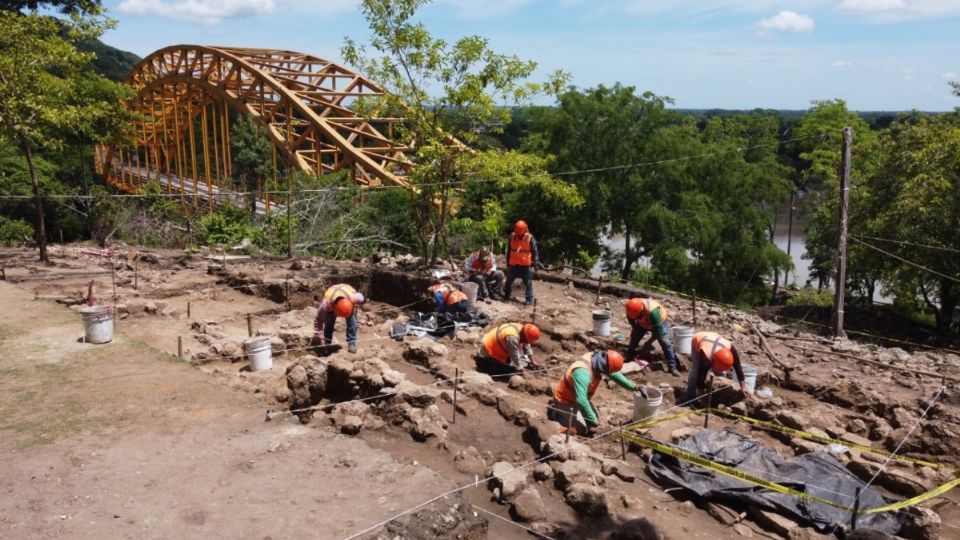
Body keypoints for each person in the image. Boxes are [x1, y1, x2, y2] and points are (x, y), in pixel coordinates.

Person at [549, 350, 636, 436]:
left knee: (594, 419)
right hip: (564, 401)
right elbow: (581, 400)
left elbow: (613, 373)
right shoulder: (583, 373)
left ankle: (579, 419)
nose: (609, 373)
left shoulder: (598, 360)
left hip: (577, 398)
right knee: (581, 429)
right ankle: (556, 413)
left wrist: (633, 387)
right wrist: (593, 420)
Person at [686, 331, 752, 403]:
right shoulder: (706, 358)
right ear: (713, 361)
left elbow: (738, 367)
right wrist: (702, 400)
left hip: (713, 338)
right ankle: (690, 394)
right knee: (696, 370)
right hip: (698, 338)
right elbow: (700, 379)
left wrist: (743, 387)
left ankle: (717, 394)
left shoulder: (731, 349)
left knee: (721, 375)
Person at [625, 297, 681, 377]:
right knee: (634, 339)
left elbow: (658, 333)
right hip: (643, 323)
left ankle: (672, 367)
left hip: (660, 322)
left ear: (642, 310)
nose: (637, 318)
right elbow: (632, 321)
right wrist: (635, 331)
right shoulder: (631, 309)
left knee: (665, 343)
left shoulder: (653, 312)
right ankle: (629, 358)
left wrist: (648, 342)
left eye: (639, 316)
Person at [313, 283, 365, 354]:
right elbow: (319, 321)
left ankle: (351, 343)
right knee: (329, 323)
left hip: (348, 303)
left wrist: (355, 304)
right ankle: (327, 342)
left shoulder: (354, 298)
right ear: (334, 308)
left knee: (353, 322)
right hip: (332, 301)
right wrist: (320, 337)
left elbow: (361, 297)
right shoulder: (325, 305)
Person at [476, 322, 541, 376]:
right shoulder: (512, 337)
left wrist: (533, 361)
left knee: (518, 362)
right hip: (488, 349)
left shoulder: (521, 329)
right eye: (526, 341)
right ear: (524, 337)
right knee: (509, 372)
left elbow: (527, 345)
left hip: (491, 343)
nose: (526, 343)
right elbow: (514, 355)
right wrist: (523, 371)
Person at [504, 220, 540, 306]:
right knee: (508, 281)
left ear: (524, 230)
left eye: (520, 233)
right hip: (513, 264)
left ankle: (529, 299)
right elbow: (509, 250)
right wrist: (508, 262)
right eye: (517, 232)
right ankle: (506, 295)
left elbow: (535, 252)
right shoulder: (512, 236)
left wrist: (536, 263)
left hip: (525, 265)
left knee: (528, 283)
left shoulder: (530, 238)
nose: (518, 234)